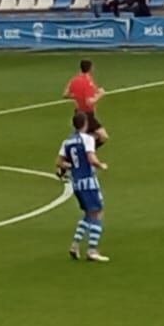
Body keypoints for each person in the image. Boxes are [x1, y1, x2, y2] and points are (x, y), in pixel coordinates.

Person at [56, 111, 109, 263]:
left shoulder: (67, 142)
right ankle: (92, 250)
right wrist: (101, 165)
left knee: (88, 214)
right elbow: (91, 158)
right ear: (85, 124)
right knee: (98, 212)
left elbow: (59, 162)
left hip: (76, 183)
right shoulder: (87, 139)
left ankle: (74, 245)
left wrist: (73, 166)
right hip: (88, 182)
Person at [65, 58, 108, 145]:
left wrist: (77, 96)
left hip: (78, 113)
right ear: (91, 68)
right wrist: (101, 94)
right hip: (87, 115)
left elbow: (65, 94)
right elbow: (89, 102)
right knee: (103, 136)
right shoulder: (87, 81)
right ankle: (87, 151)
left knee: (87, 135)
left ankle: (83, 151)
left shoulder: (74, 80)